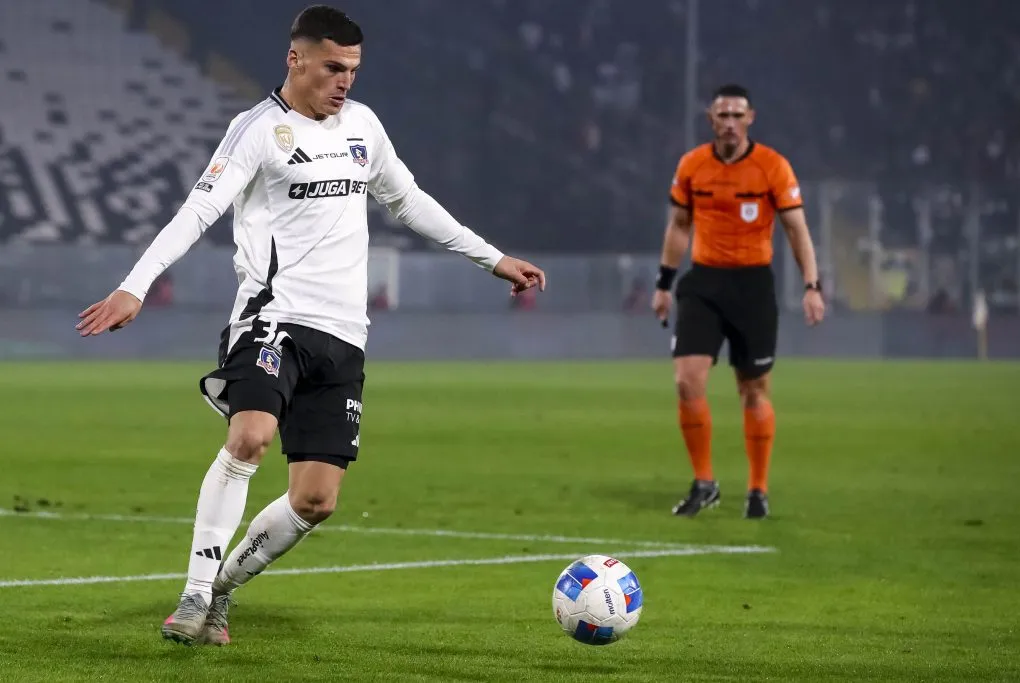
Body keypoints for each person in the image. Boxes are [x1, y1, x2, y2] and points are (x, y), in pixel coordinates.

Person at [76, 5, 545, 646]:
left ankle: (220, 594)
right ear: (296, 58)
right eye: (332, 67)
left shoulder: (363, 127)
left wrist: (492, 258)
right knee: (250, 437)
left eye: (352, 69)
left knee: (317, 501)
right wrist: (135, 284)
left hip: (344, 336)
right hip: (273, 321)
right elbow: (199, 210)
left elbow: (408, 200)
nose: (344, 81)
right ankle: (191, 592)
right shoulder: (258, 131)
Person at [650, 84, 825, 520]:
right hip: (704, 283)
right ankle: (704, 483)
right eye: (722, 115)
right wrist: (663, 283)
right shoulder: (692, 165)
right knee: (687, 380)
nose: (729, 123)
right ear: (711, 120)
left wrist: (812, 285)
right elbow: (678, 226)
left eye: (737, 115)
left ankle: (757, 490)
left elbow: (796, 230)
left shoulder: (772, 167)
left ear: (750, 119)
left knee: (753, 390)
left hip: (752, 287)